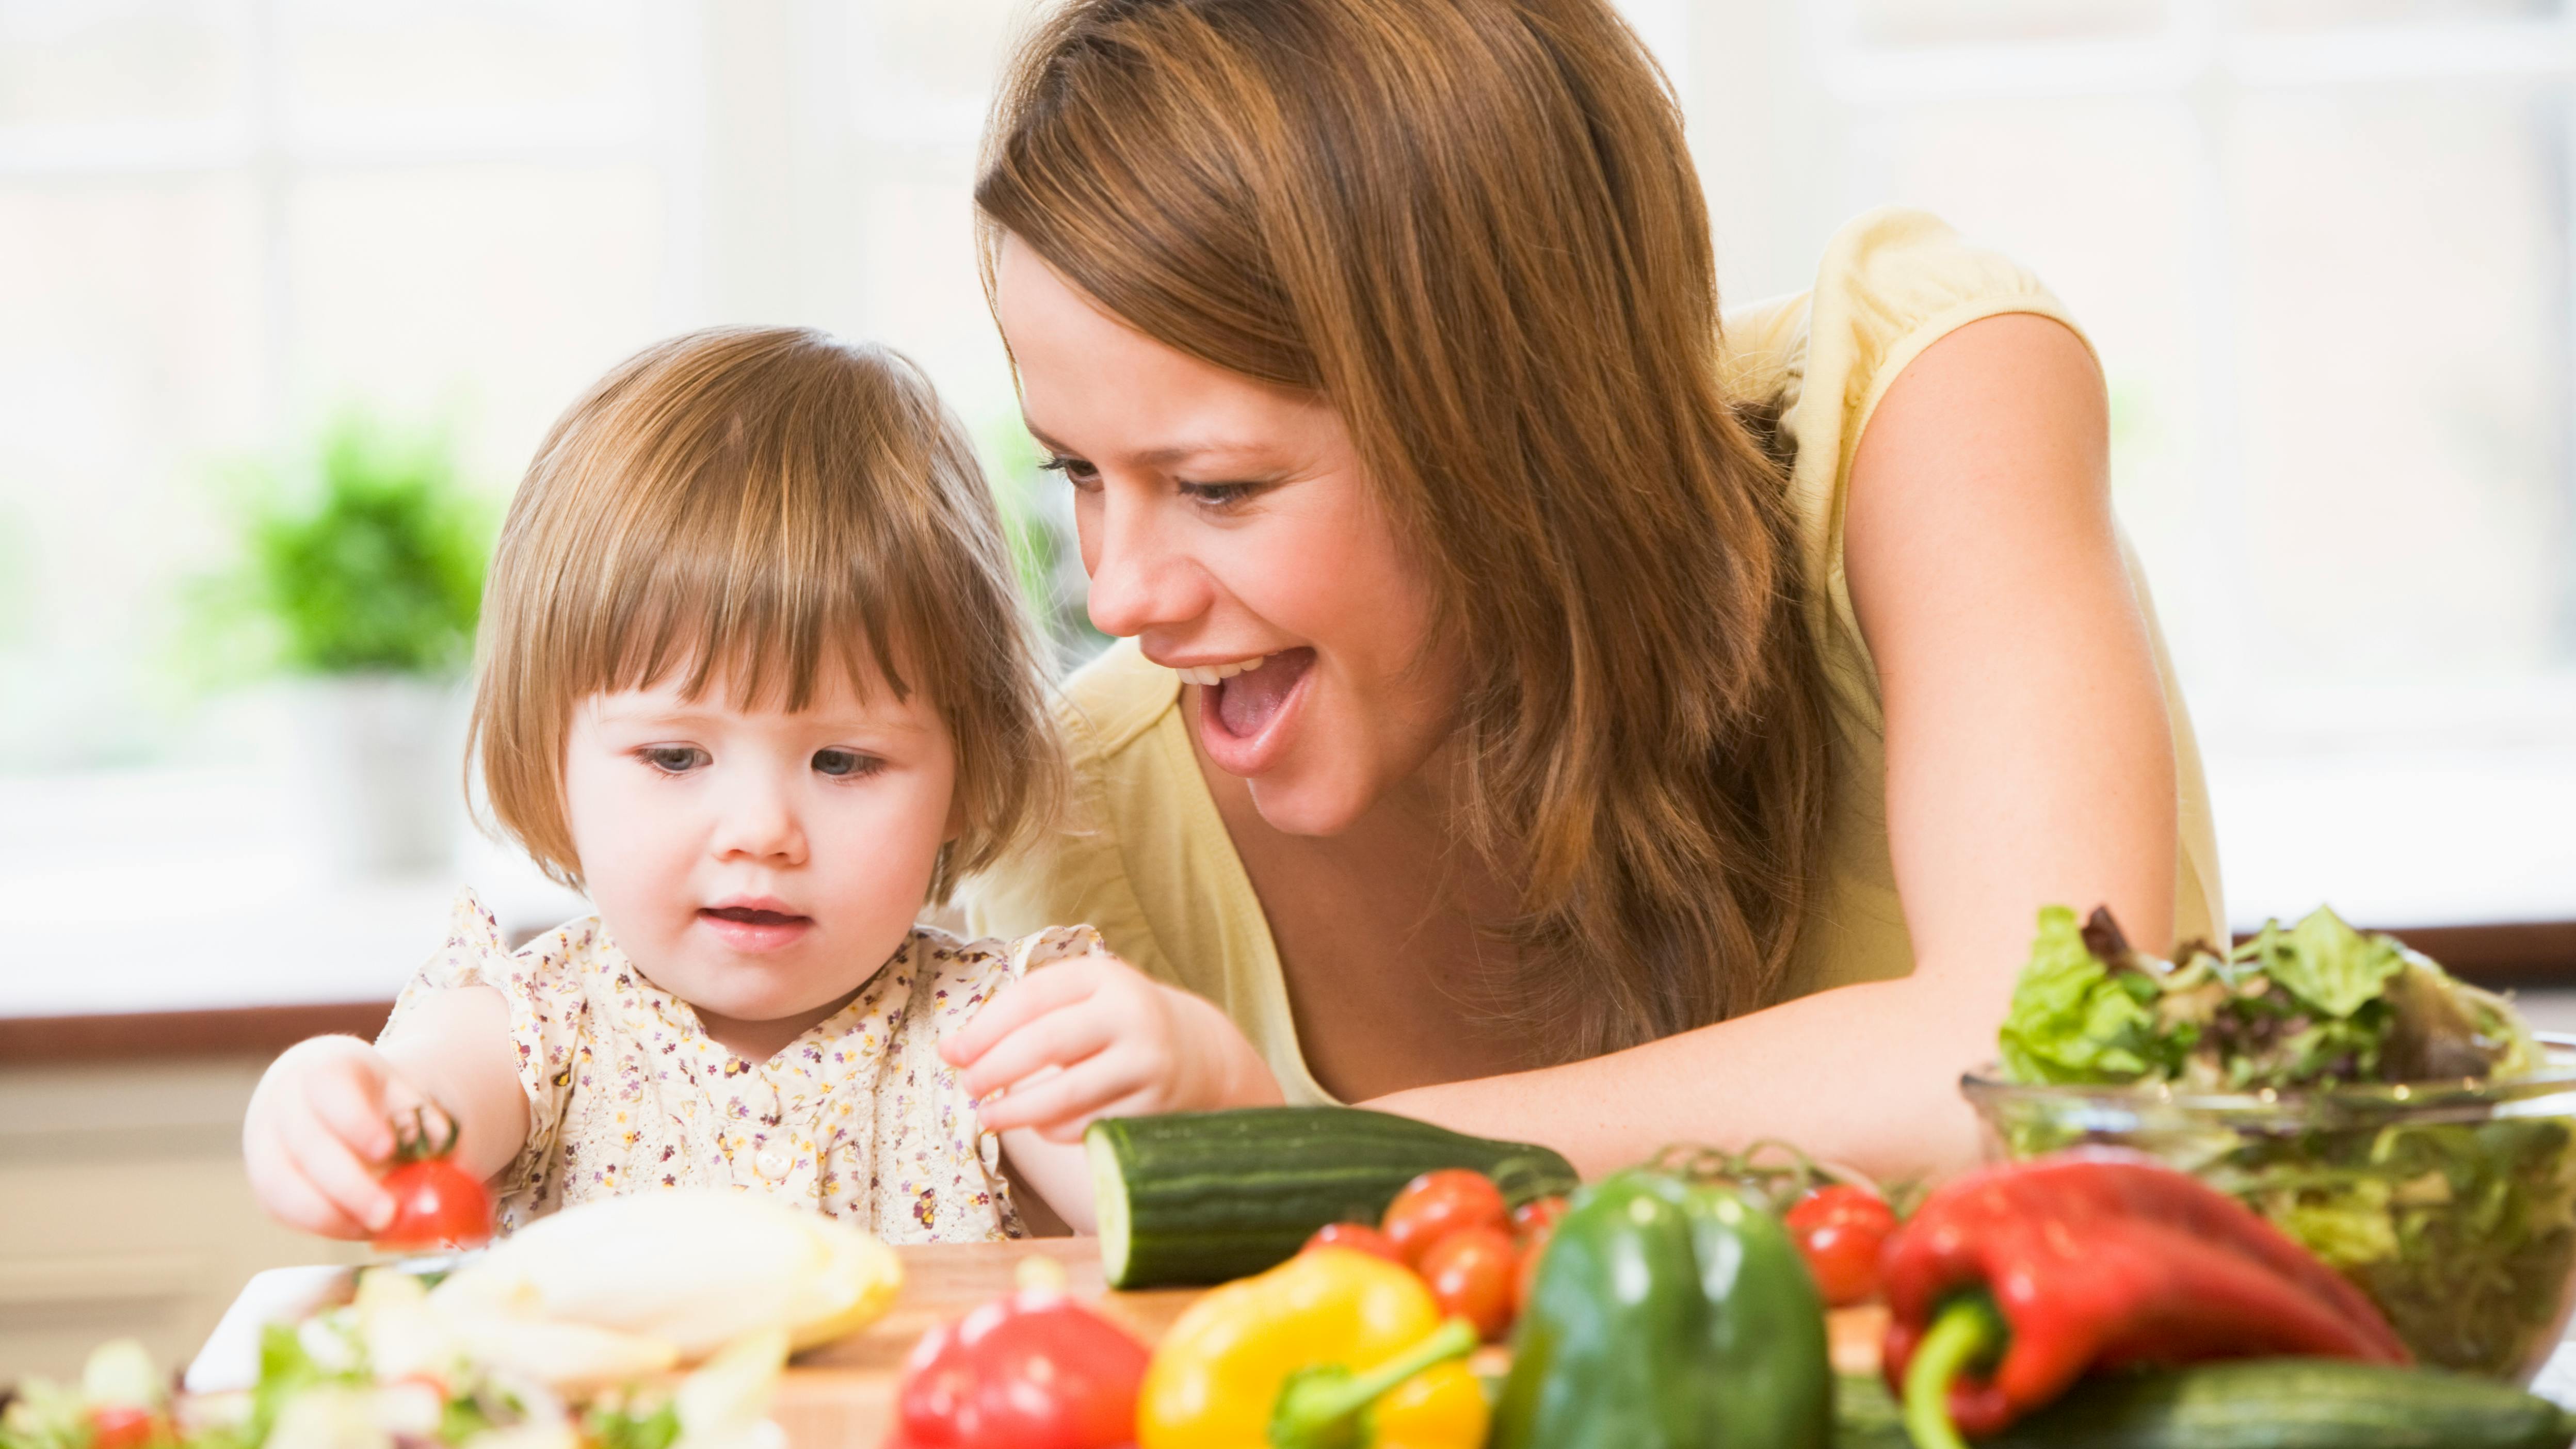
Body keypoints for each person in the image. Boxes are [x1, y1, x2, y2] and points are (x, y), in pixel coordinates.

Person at [952, 0, 2223, 1184]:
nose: (1118, 596)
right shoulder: (1082, 832)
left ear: (1514, 423)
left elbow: (2051, 1072)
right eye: (1075, 469)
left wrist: (1302, 1156)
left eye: (1219, 487)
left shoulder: (1925, 404)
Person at [242, 327, 1279, 1244]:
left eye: (844, 761)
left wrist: (1209, 1078)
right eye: (674, 757)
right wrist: (330, 1105)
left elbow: (1201, 1222)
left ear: (965, 775)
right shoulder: (537, 1030)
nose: (761, 831)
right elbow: (415, 1109)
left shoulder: (991, 1040)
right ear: (550, 761)